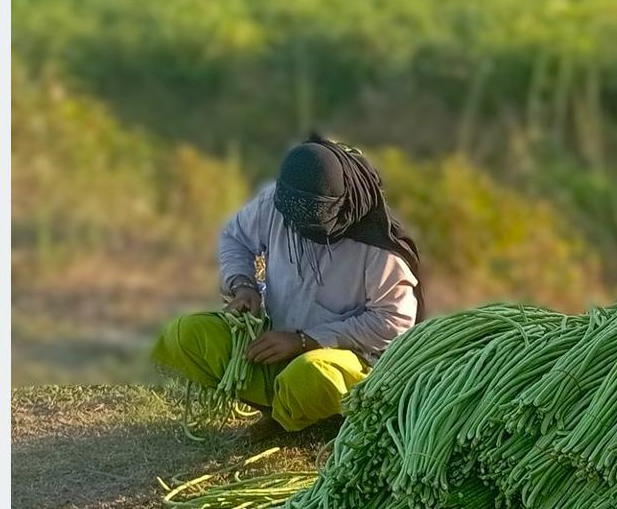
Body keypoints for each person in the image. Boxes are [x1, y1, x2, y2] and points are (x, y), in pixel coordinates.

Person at [151, 135, 422, 434]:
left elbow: (394, 322)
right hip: (276, 339)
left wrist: (306, 341)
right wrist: (243, 284)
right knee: (186, 334)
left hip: (342, 360)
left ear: (338, 208)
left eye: (309, 224)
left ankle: (307, 416)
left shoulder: (377, 245)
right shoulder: (279, 202)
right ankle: (279, 408)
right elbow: (235, 237)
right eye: (292, 222)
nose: (296, 229)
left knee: (311, 374)